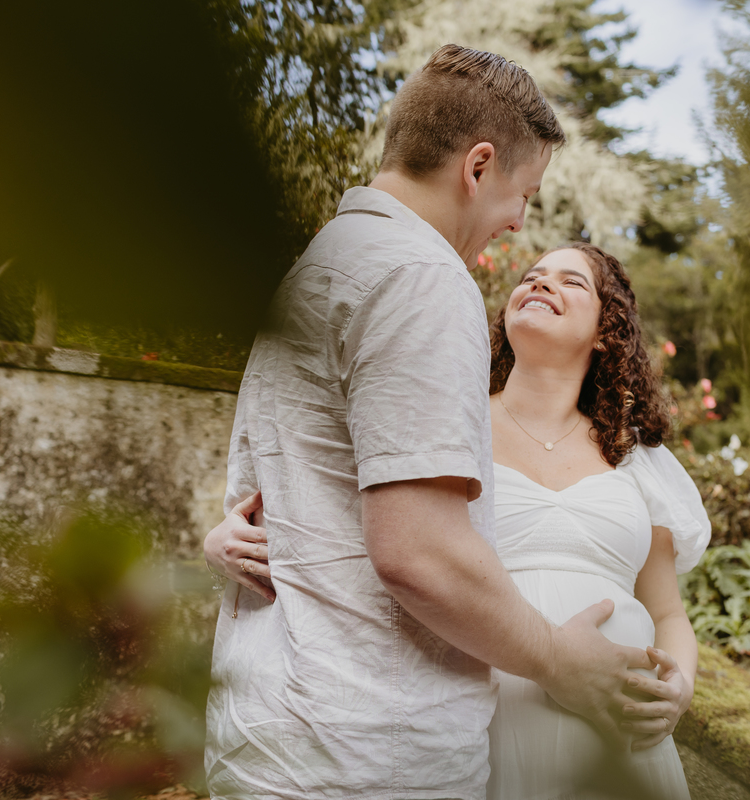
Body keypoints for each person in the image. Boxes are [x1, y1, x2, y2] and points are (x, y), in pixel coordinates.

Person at [200, 45, 663, 799]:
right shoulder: (422, 277)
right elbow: (420, 552)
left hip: (270, 734)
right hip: (367, 756)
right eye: (523, 193)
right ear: (477, 167)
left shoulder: (319, 265)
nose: (517, 224)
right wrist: (559, 660)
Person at [484, 242, 710, 799]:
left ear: (607, 331)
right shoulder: (455, 421)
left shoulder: (635, 456)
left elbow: (667, 612)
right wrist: (228, 540)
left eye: (571, 282)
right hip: (487, 724)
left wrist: (677, 688)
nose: (540, 284)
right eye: (532, 277)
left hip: (621, 742)